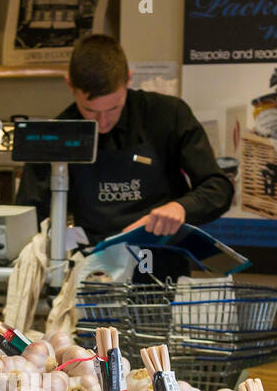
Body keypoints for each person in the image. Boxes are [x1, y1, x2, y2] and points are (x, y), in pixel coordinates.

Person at [15, 34, 234, 279]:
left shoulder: (168, 116)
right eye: (90, 110)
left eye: (113, 107)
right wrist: (61, 249)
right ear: (70, 85)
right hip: (94, 274)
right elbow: (29, 215)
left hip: (161, 271)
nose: (103, 121)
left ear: (128, 79)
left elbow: (219, 189)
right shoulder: (56, 136)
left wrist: (180, 207)